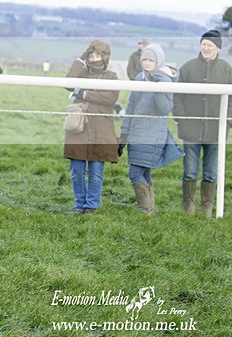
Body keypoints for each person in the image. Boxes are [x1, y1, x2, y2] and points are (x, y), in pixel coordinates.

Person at [173, 30, 232, 217]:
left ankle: (207, 210)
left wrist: (228, 122)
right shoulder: (188, 68)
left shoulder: (227, 70)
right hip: (190, 131)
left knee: (211, 173)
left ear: (217, 48)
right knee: (190, 172)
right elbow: (177, 95)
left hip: (216, 132)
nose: (206, 48)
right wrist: (181, 118)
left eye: (210, 45)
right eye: (204, 44)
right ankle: (189, 209)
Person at [119, 43, 183, 214]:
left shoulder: (165, 80)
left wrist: (158, 88)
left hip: (152, 135)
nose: (146, 63)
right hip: (135, 134)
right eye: (144, 59)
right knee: (144, 173)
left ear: (159, 61)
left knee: (135, 173)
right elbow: (131, 107)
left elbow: (164, 109)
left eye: (151, 60)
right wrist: (123, 136)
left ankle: (145, 210)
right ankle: (149, 211)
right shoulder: (140, 77)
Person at [63, 40, 120, 214]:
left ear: (104, 58)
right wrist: (80, 59)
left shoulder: (112, 76)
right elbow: (68, 83)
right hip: (78, 128)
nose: (94, 59)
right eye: (91, 55)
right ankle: (79, 205)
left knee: (96, 171)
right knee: (76, 171)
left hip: (100, 130)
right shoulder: (81, 73)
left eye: (97, 55)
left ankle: (92, 206)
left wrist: (84, 93)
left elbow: (110, 98)